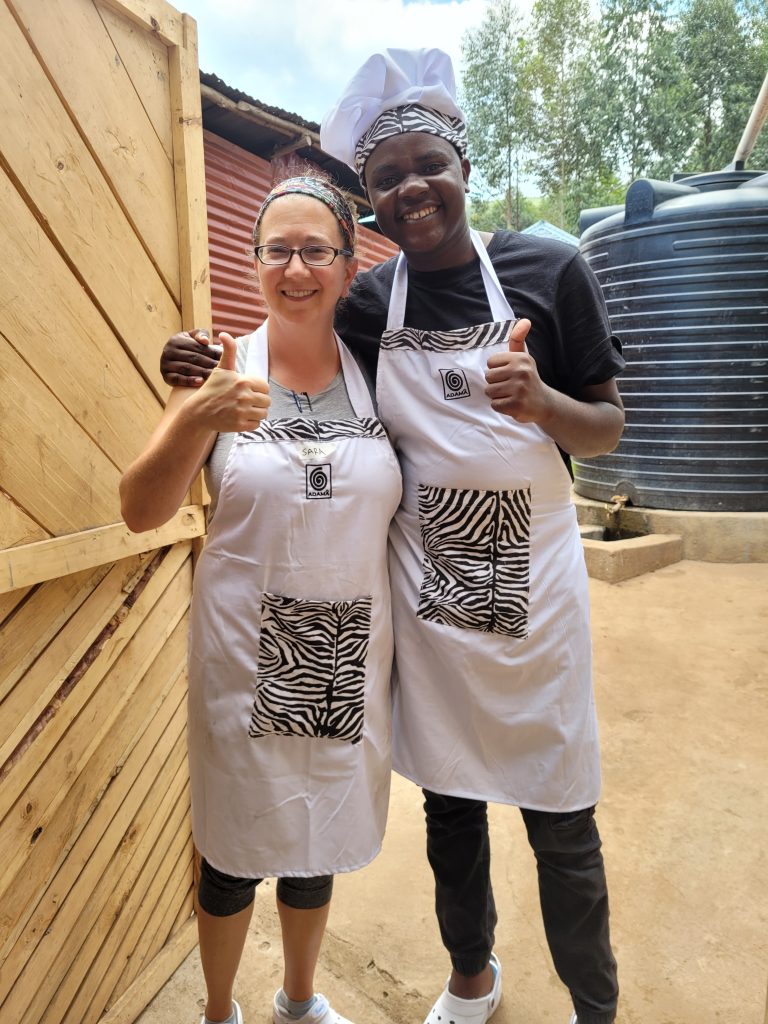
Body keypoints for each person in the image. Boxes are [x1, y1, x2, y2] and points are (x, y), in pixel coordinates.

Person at [160, 48, 625, 1024]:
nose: (413, 187)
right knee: (450, 810)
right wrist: (197, 357)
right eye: (387, 178)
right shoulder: (373, 305)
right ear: (369, 206)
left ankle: (596, 1005)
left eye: (429, 164)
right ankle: (471, 978)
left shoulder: (550, 267)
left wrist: (542, 403)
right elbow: (294, 352)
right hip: (432, 610)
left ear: (464, 165)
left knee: (561, 815)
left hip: (537, 602)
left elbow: (608, 423)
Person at [120, 176, 402, 1024]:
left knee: (314, 841)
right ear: (253, 265)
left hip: (348, 651)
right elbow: (140, 509)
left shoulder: (381, 376)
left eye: (317, 249)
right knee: (235, 853)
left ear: (350, 266)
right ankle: (218, 1010)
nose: (297, 268)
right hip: (243, 656)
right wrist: (193, 415)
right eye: (277, 249)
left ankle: (299, 1000)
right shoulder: (214, 367)